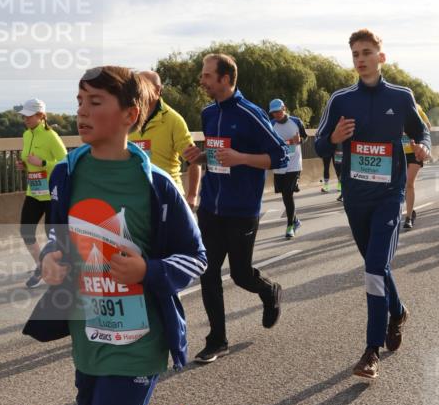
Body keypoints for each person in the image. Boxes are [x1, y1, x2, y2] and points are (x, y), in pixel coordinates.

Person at [30, 66, 207, 405]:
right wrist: (51, 262)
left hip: (140, 338)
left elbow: (194, 257)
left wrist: (149, 272)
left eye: (95, 102)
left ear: (129, 115)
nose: (81, 111)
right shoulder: (69, 172)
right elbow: (60, 240)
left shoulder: (156, 185)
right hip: (90, 330)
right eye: (79, 100)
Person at [315, 28, 430, 380]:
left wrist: (423, 146)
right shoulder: (341, 100)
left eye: (367, 52)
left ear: (381, 57)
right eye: (355, 54)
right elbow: (318, 145)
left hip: (387, 196)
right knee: (375, 267)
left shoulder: (400, 95)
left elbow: (421, 131)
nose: (361, 59)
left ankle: (370, 350)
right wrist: (333, 138)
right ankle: (397, 312)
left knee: (373, 269)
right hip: (355, 197)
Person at [183, 53, 289, 363]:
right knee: (208, 271)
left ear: (226, 79)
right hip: (211, 207)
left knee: (241, 275)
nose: (201, 80)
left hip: (242, 208)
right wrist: (201, 157)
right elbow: (219, 155)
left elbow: (280, 156)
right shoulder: (207, 113)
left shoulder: (250, 113)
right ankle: (217, 339)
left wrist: (241, 158)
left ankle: (269, 292)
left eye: (206, 75)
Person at [128, 70, 201, 209]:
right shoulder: (127, 118)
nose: (138, 90)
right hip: (135, 196)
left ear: (158, 91)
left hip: (167, 195)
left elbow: (194, 159)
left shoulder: (174, 120)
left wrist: (192, 195)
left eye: (143, 86)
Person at [16, 99, 67, 288]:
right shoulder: (26, 135)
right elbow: (30, 161)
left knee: (51, 234)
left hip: (51, 194)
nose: (25, 119)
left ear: (41, 116)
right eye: (24, 115)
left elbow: (65, 162)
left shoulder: (51, 136)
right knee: (26, 230)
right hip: (34, 191)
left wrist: (44, 164)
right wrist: (24, 165)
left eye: (29, 115)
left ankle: (59, 270)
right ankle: (41, 266)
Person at [268, 98, 307, 238]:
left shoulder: (296, 122)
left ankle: (290, 225)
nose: (276, 115)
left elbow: (305, 137)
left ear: (284, 108)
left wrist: (300, 140)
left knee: (287, 193)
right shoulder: (270, 124)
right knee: (284, 194)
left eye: (278, 111)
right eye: (274, 113)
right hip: (279, 164)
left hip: (294, 164)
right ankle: (295, 220)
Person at [401, 101, 431, 230]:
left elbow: (427, 128)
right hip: (399, 151)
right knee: (400, 184)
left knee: (409, 183)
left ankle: (408, 217)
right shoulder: (393, 107)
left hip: (414, 152)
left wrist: (421, 143)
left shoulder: (417, 109)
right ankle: (410, 210)